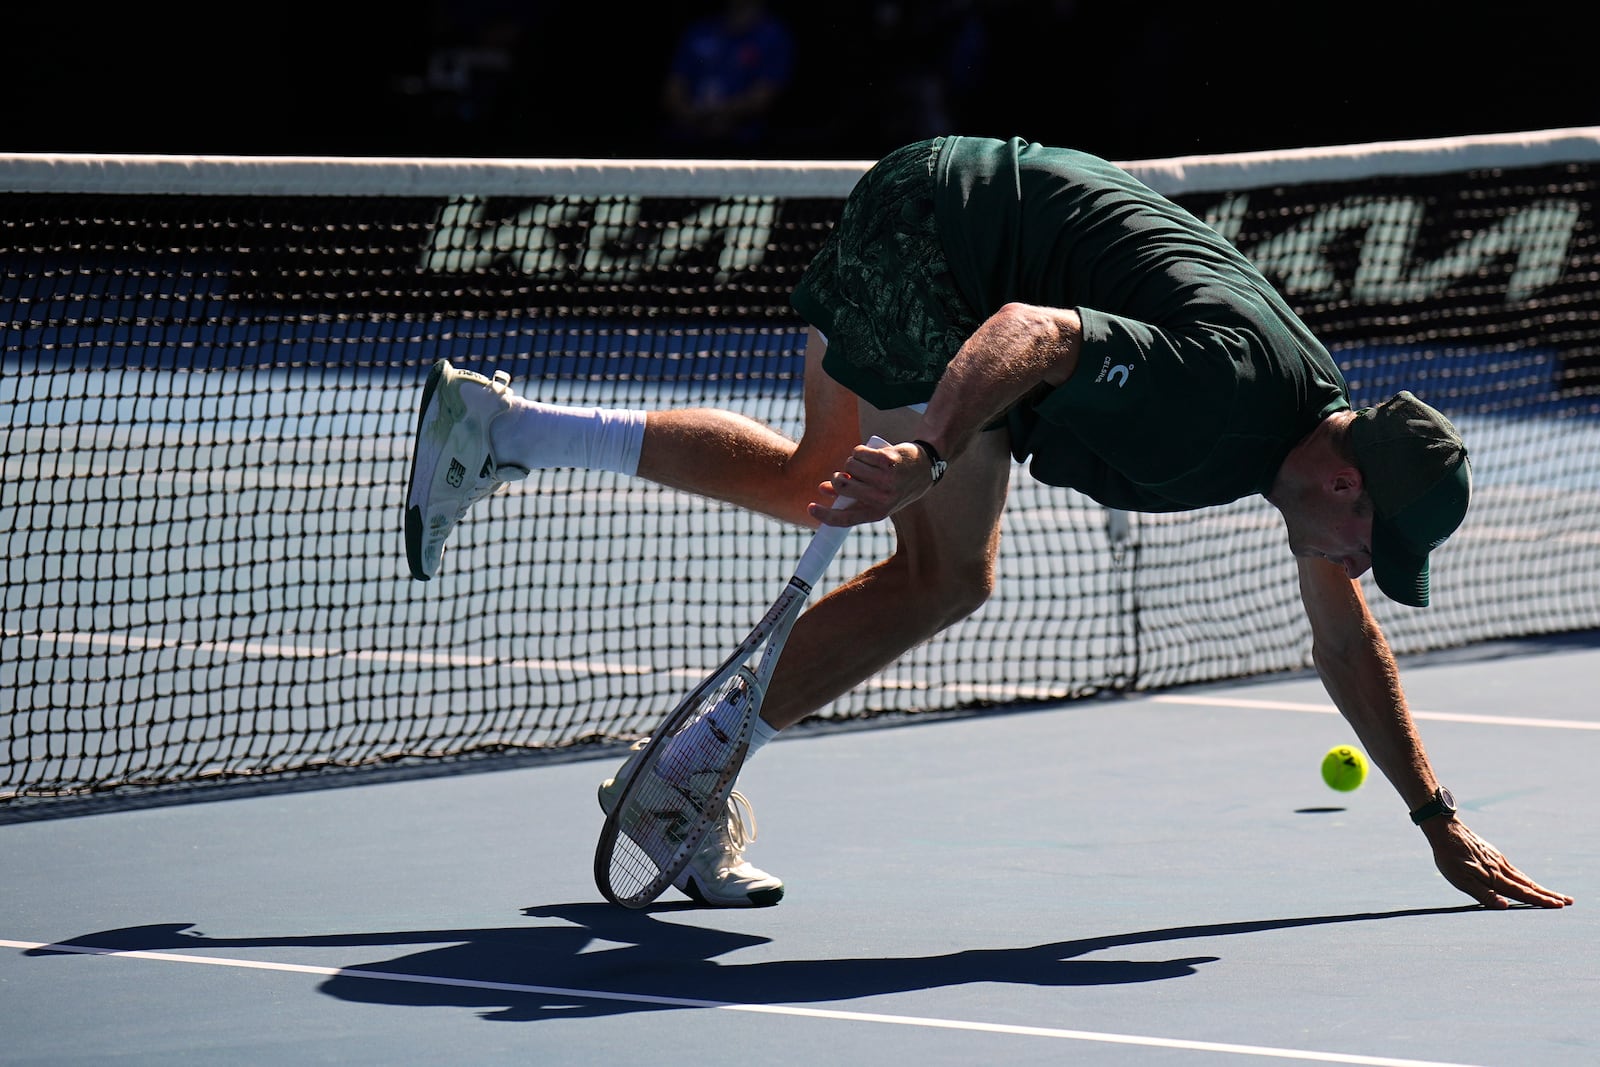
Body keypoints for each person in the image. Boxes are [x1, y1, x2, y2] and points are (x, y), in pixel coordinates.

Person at [404, 135, 1574, 912]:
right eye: (1375, 543)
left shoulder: (1311, 448)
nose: (1363, 567)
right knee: (945, 573)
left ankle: (500, 429)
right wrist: (926, 446)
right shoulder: (1224, 391)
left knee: (812, 472)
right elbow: (1037, 329)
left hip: (935, 201)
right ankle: (676, 781)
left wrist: (1436, 819)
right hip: (943, 252)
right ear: (1346, 485)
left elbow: (1340, 637)